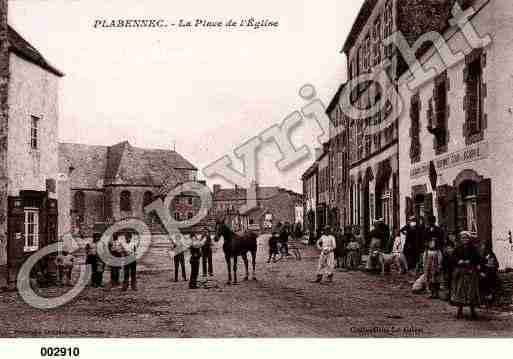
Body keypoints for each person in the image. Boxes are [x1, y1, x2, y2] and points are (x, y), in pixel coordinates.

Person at [451, 231, 482, 320]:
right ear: (460, 239)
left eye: (466, 238)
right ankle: (459, 311)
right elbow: (453, 257)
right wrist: (458, 261)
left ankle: (472, 311)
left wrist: (471, 261)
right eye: (463, 238)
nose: (465, 240)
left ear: (469, 239)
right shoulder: (458, 248)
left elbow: (478, 258)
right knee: (460, 291)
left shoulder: (473, 249)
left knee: (471, 292)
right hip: (461, 273)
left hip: (471, 272)